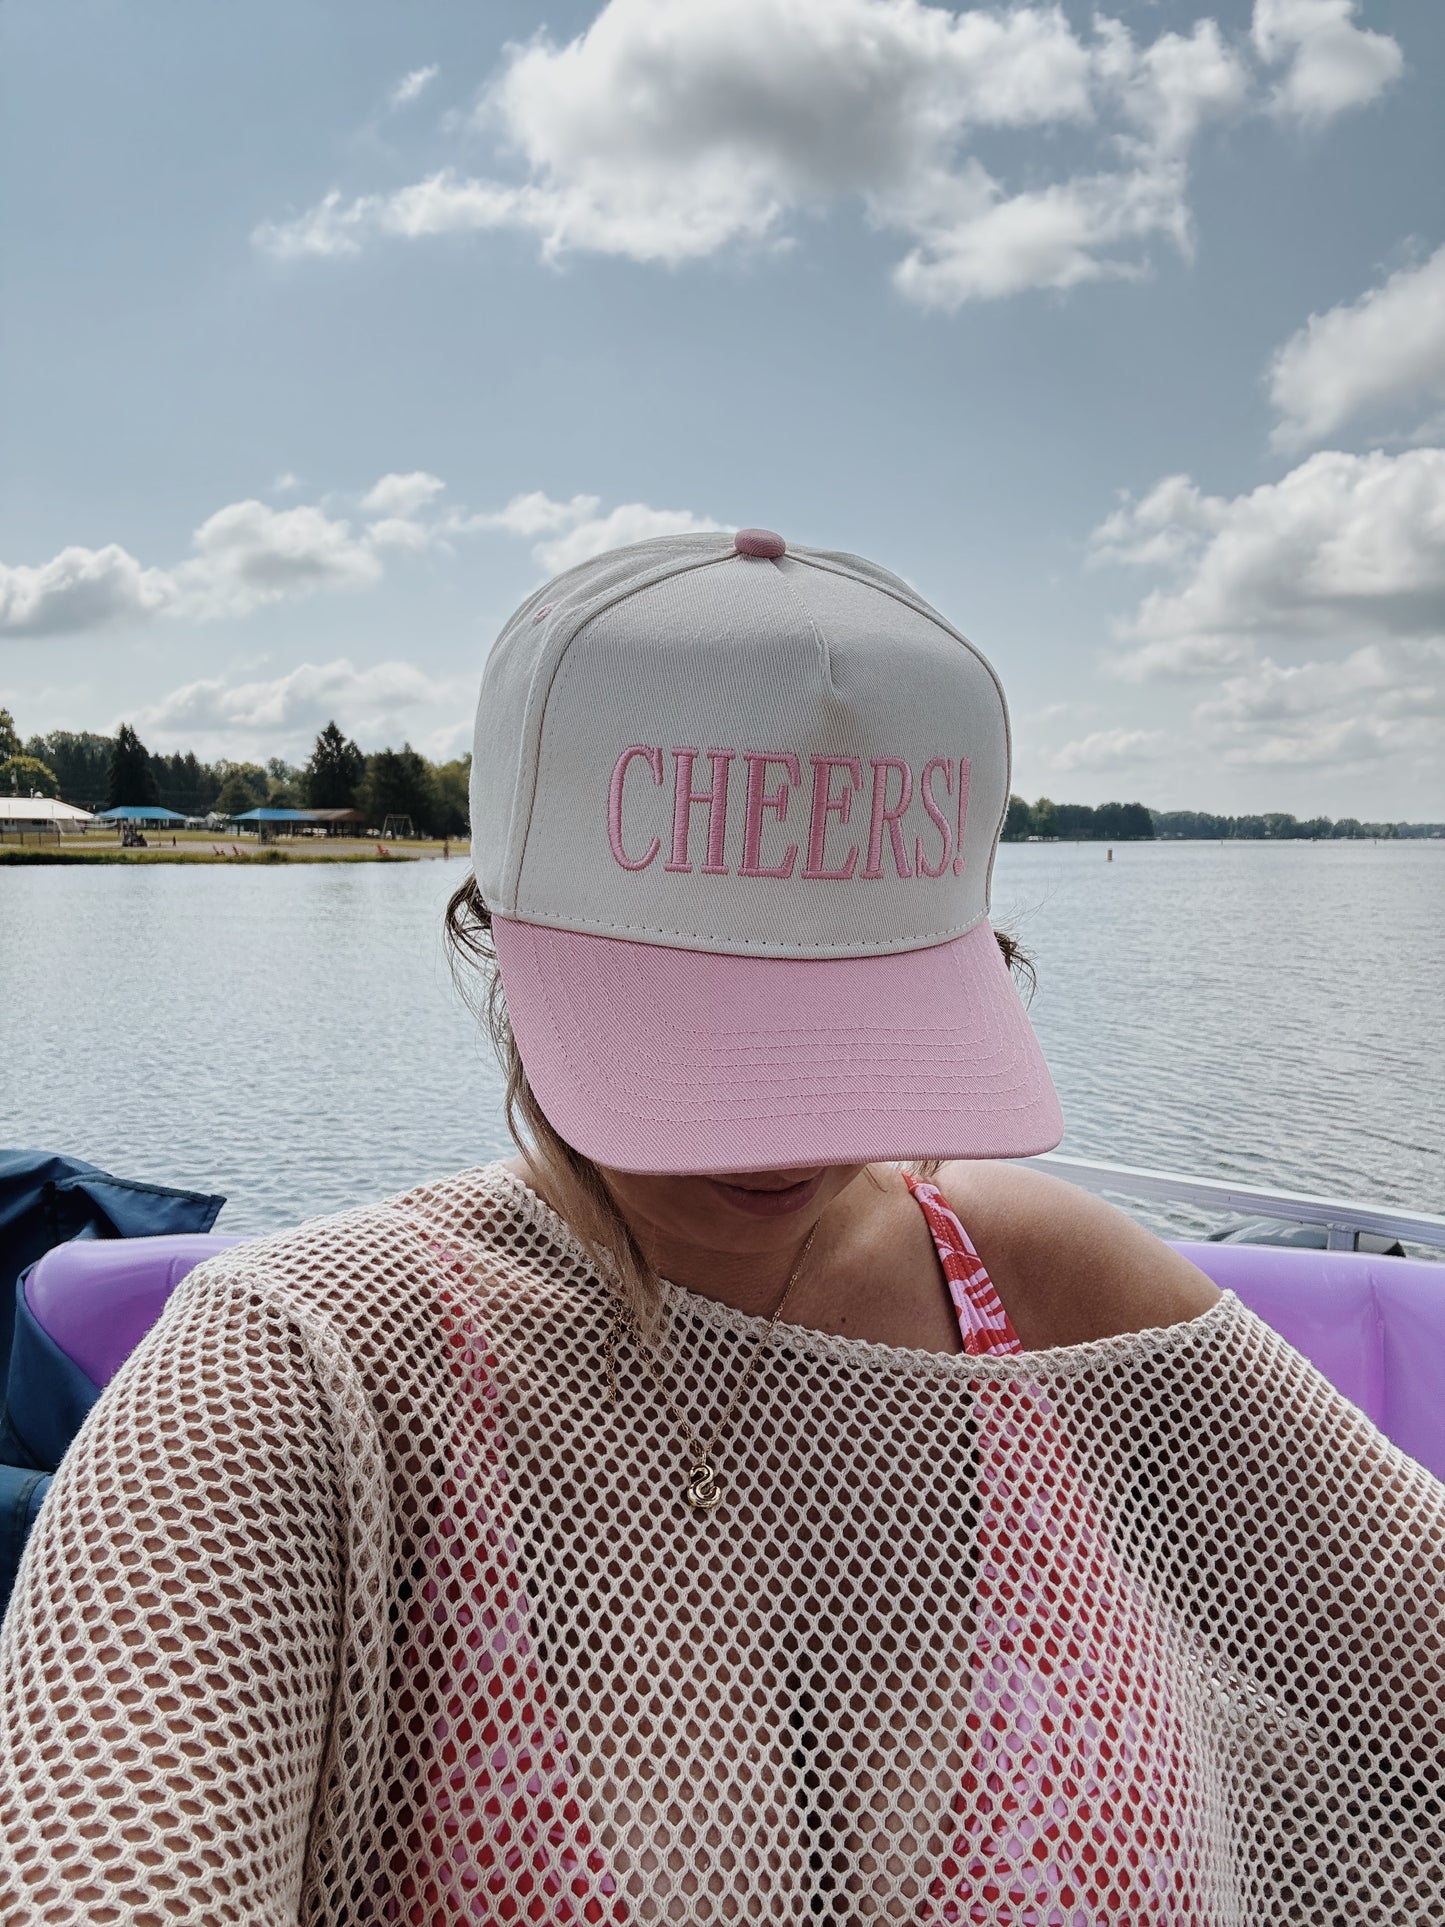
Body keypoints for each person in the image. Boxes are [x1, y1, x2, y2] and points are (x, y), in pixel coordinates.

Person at [1, 529, 1441, 1924]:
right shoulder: (302, 1381)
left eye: (863, 1026)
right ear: (492, 927)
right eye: (703, 1024)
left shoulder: (1042, 1291)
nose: (796, 1135)